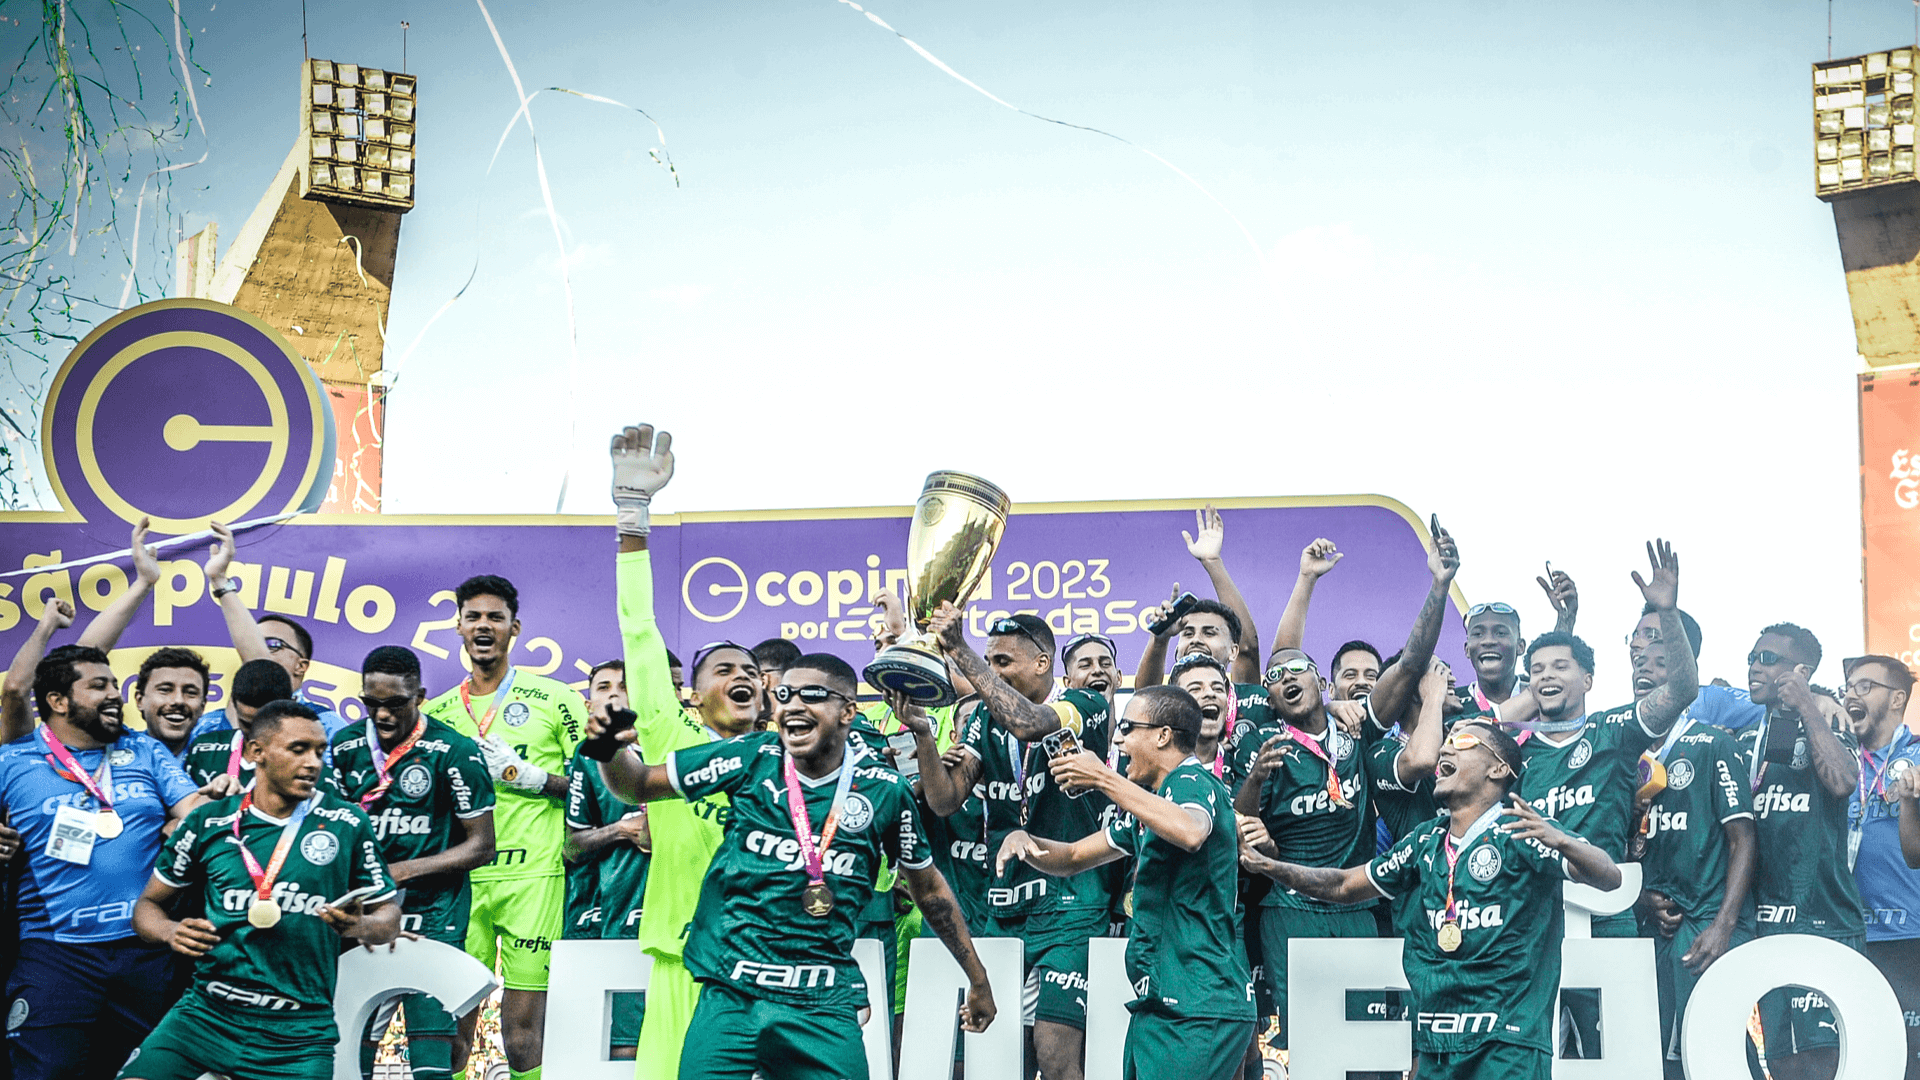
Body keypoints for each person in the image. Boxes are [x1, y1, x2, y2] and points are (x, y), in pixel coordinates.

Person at [594, 653, 996, 1080]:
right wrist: (608, 750)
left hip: (821, 1005)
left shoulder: (884, 791)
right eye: (784, 695)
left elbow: (929, 891)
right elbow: (637, 783)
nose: (793, 706)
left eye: (812, 695)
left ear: (847, 712)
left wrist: (978, 979)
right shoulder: (750, 757)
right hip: (733, 996)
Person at [1241, 720, 1622, 1080]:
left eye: (1464, 742)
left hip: (1506, 1042)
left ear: (1498, 769)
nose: (1446, 749)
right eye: (1447, 741)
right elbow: (1343, 886)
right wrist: (1271, 866)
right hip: (1436, 1043)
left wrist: (1564, 841)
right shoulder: (1425, 840)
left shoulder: (1521, 830)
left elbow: (1609, 877)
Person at [122, 702, 403, 1080]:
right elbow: (147, 907)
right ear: (257, 752)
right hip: (206, 1017)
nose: (313, 763)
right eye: (298, 749)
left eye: (319, 751)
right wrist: (170, 931)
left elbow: (389, 918)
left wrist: (361, 926)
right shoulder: (209, 820)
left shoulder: (347, 823)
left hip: (299, 1033)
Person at [607, 423, 764, 1080]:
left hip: (766, 972)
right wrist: (632, 518)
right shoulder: (675, 742)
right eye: (723, 669)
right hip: (682, 962)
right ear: (692, 697)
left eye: (750, 670)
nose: (741, 676)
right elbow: (640, 632)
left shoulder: (788, 761)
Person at [997, 685, 1255, 1080]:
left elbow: (1190, 831)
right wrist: (1025, 842)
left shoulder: (1191, 780)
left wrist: (1102, 777)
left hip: (1196, 1004)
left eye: (1128, 728)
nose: (1118, 740)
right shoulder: (1153, 805)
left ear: (1163, 736)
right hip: (1163, 1001)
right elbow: (1073, 857)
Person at [912, 604, 1112, 1080]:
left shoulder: (1085, 704)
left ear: (1043, 663)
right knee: (1001, 1060)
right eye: (988, 661)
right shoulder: (983, 717)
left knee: (1055, 1053)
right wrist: (923, 736)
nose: (993, 672)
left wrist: (959, 650)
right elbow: (945, 800)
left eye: (1003, 661)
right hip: (1004, 907)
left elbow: (1029, 723)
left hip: (1071, 905)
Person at [0, 635, 211, 1080]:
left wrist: (194, 821)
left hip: (145, 951)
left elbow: (198, 812)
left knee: (149, 1074)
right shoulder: (12, 760)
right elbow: (14, 689)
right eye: (99, 686)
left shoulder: (145, 750)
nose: (115, 694)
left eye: (115, 684)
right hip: (56, 953)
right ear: (58, 701)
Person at [420, 575, 582, 1080]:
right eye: (473, 617)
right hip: (460, 884)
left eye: (495, 617)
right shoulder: (435, 714)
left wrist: (529, 777)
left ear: (515, 628)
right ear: (459, 627)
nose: (483, 626)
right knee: (450, 1037)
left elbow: (597, 790)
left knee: (523, 1039)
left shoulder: (556, 699)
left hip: (534, 879)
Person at [331, 646, 497, 1080]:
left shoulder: (454, 750)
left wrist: (402, 871)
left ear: (420, 696)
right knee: (351, 1048)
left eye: (395, 703)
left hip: (434, 913)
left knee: (433, 1057)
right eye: (372, 703)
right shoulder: (343, 746)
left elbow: (482, 847)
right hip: (365, 914)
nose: (383, 714)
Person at [1231, 643, 1373, 1057]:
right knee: (1309, 1042)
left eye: (1296, 667)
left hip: (1356, 904)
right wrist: (1256, 778)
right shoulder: (1262, 741)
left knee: (1368, 1042)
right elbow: (1241, 826)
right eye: (1274, 676)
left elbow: (1405, 674)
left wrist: (1333, 708)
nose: (1287, 677)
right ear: (1269, 699)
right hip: (1291, 908)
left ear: (1322, 682)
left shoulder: (1356, 727)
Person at [1630, 611, 1755, 1080]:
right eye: (1639, 663)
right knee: (1661, 1056)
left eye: (1660, 663)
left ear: (1685, 673)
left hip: (1706, 922)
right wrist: (1642, 898)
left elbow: (1744, 838)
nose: (1645, 670)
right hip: (1652, 926)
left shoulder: (1712, 743)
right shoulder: (1625, 750)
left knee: (1718, 1052)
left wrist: (1724, 925)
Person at [1737, 624, 1862, 1080]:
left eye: (1768, 659)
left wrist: (1808, 703)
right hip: (1764, 925)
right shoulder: (1742, 739)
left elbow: (1843, 782)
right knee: (1782, 1062)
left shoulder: (1830, 721)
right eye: (1752, 658)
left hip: (1824, 918)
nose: (1755, 667)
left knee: (1825, 1060)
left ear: (1802, 671)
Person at [562, 659, 652, 1061]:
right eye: (603, 687)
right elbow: (573, 846)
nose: (615, 693)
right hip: (613, 914)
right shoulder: (587, 756)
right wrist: (622, 830)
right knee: (622, 1046)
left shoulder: (677, 743)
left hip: (677, 915)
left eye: (624, 685)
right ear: (589, 703)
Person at [193, 524, 346, 746]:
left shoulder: (327, 724)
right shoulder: (209, 724)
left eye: (272, 644)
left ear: (301, 666)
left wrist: (221, 583)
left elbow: (257, 660)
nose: (256, 647)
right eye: (252, 639)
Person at [1843, 655, 1920, 1080]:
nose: (1851, 695)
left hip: (1909, 935)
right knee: (1861, 1061)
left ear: (1896, 699)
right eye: (1848, 687)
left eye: (1864, 686)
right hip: (1848, 935)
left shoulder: (1918, 756)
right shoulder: (1838, 760)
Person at [1135, 507, 1263, 689]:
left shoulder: (1245, 697)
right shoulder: (1166, 702)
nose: (1196, 640)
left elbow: (1248, 649)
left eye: (1209, 633)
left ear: (1233, 651)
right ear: (1177, 652)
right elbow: (1146, 694)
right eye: (1188, 633)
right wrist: (1159, 640)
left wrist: (1212, 562)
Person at [179, 660, 291, 792]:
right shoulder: (203, 749)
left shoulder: (305, 762)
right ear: (233, 702)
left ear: (289, 709)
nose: (255, 734)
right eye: (246, 724)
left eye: (265, 726)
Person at [131, 650, 209, 764]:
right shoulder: (116, 752)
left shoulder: (219, 756)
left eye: (191, 692)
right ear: (140, 700)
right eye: (165, 690)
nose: (178, 700)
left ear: (203, 705)